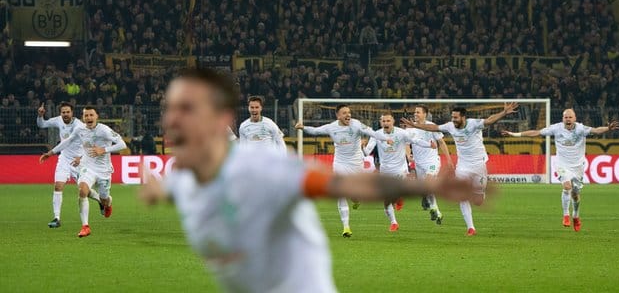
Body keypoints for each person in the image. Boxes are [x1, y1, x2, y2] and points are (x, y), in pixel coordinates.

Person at [138, 68, 475, 293]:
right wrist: (154, 187)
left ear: (220, 119)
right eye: (171, 108)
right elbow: (178, 190)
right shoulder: (185, 182)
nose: (173, 119)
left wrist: (425, 186)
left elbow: (344, 185)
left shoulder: (262, 167)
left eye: (188, 109)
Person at [401, 102, 519, 236]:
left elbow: (489, 120)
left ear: (463, 117)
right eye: (452, 117)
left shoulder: (474, 124)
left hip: (479, 164)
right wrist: (415, 125)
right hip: (463, 166)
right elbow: (434, 128)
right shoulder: (451, 126)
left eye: (456, 117)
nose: (453, 120)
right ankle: (470, 228)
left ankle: (479, 193)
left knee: (478, 201)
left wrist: (503, 113)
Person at [502, 109, 619, 231]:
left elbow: (596, 130)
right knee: (567, 186)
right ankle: (566, 215)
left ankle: (576, 215)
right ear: (563, 119)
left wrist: (608, 129)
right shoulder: (556, 128)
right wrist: (514, 134)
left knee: (575, 195)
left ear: (575, 118)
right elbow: (536, 132)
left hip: (577, 166)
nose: (568, 119)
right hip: (562, 164)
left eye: (570, 117)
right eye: (565, 117)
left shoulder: (580, 129)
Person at [295, 104, 394, 238]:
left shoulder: (356, 124)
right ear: (338, 115)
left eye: (349, 112)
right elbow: (316, 131)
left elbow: (372, 132)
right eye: (344, 113)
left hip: (356, 163)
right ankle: (346, 227)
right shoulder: (332, 127)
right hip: (340, 163)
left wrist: (385, 138)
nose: (348, 115)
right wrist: (303, 127)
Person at [40, 106, 127, 237]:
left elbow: (122, 144)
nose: (89, 118)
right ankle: (85, 226)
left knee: (104, 199)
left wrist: (104, 150)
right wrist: (51, 152)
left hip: (104, 170)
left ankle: (107, 203)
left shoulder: (104, 130)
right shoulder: (80, 129)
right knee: (82, 191)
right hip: (87, 167)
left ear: (97, 116)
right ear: (83, 117)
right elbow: (67, 141)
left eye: (91, 115)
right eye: (86, 115)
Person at [363, 112, 432, 232]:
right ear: (381, 123)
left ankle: (399, 197)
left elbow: (415, 141)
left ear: (393, 122)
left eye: (388, 121)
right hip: (385, 170)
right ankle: (394, 222)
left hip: (400, 169)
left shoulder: (401, 133)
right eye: (384, 121)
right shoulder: (376, 135)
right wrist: (362, 147)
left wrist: (429, 145)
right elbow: (367, 152)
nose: (386, 123)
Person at [36, 102, 102, 228]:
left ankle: (99, 199)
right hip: (64, 159)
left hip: (78, 161)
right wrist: (40, 116)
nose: (65, 114)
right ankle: (56, 218)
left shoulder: (79, 125)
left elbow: (87, 144)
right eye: (63, 112)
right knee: (58, 186)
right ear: (60, 113)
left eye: (67, 112)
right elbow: (42, 124)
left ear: (72, 113)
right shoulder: (58, 120)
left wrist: (81, 157)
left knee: (85, 191)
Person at [405, 105, 453, 225]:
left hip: (432, 161)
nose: (415, 114)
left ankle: (428, 202)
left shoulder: (431, 126)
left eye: (418, 112)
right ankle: (436, 210)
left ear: (425, 114)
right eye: (415, 112)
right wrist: (408, 154)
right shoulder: (410, 129)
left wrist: (449, 159)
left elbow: (441, 142)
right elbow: (407, 143)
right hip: (419, 163)